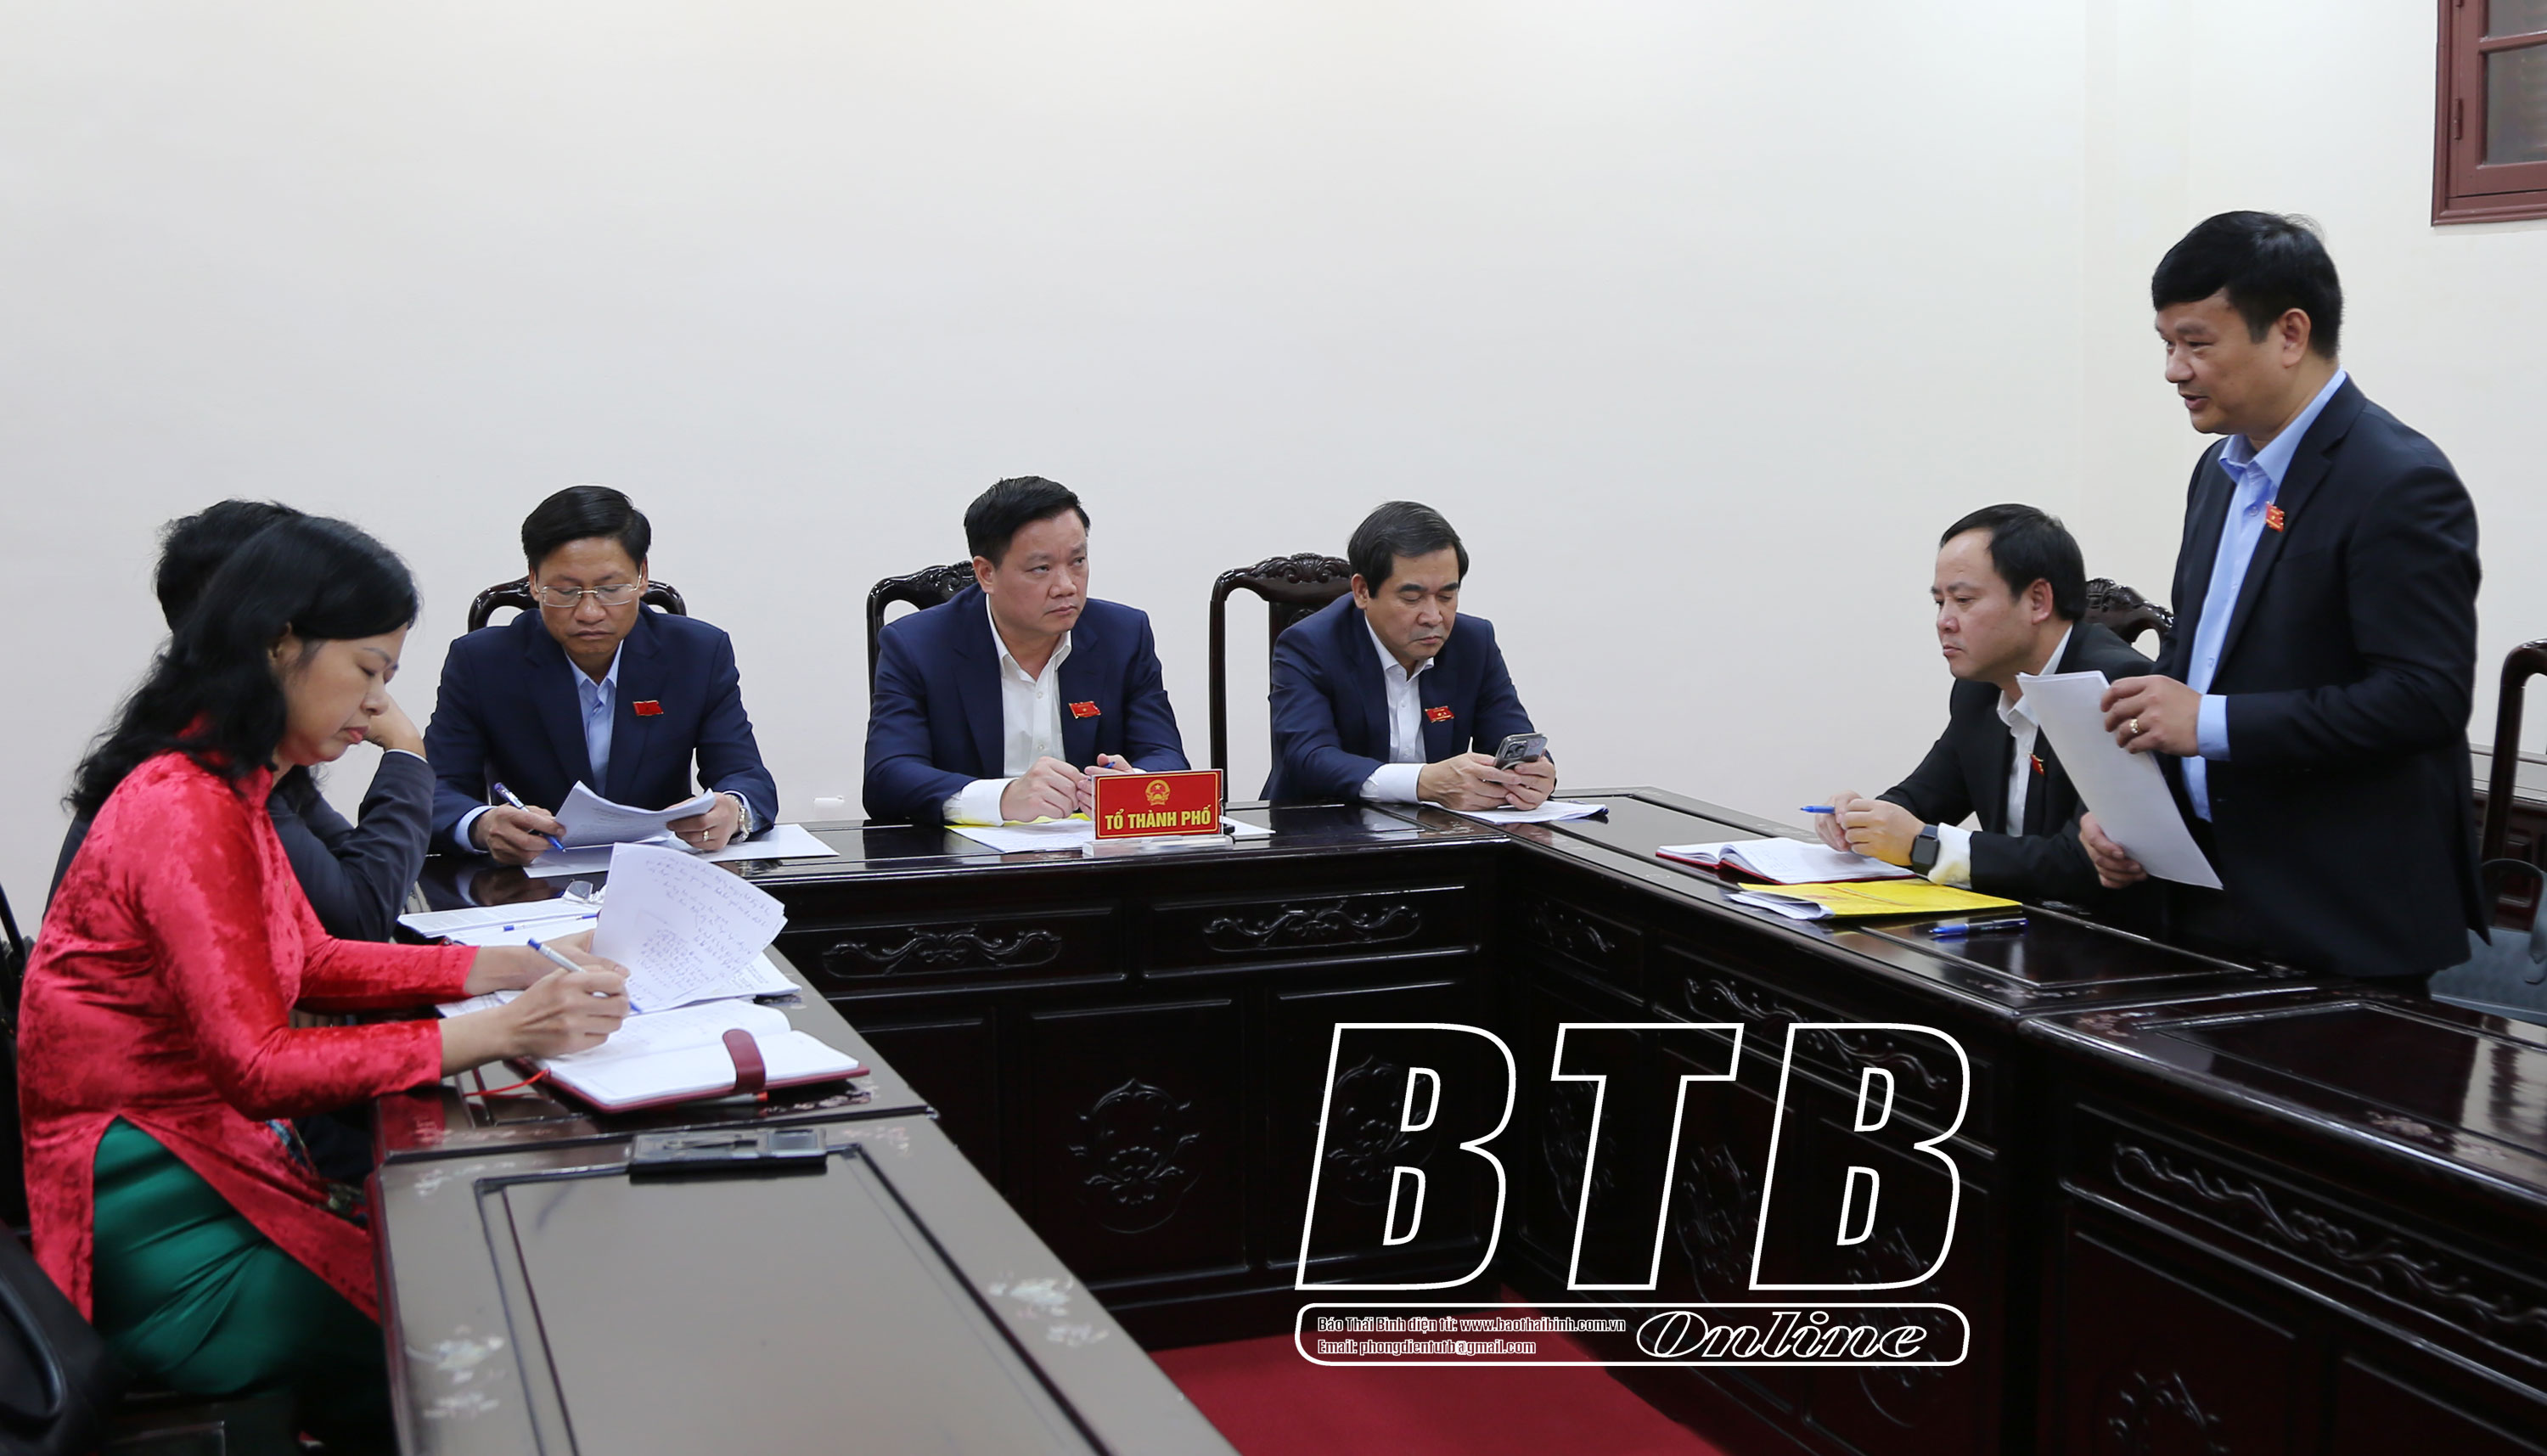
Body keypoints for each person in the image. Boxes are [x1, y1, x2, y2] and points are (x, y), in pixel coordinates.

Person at [25, 515, 628, 1447]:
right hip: (169, 1221)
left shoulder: (223, 780)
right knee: (489, 1329)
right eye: (370, 669)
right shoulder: (185, 805)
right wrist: (505, 1029)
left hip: (213, 1170)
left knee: (489, 1288)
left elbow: (309, 957)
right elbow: (258, 1064)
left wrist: (517, 961)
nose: (379, 704)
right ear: (281, 646)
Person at [2082, 211, 2484, 978]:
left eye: (2197, 343)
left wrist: (2210, 722)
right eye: (2166, 344)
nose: (2174, 370)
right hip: (2201, 895)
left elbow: (2423, 698)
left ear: (2291, 334)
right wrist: (2128, 813)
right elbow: (2198, 664)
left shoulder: (2397, 480)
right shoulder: (2218, 474)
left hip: (2337, 919)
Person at [51, 500, 434, 942]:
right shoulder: (201, 777)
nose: (377, 698)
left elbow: (342, 901)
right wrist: (406, 750)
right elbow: (360, 915)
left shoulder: (252, 753)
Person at [1813, 505, 2151, 904]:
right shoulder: (1980, 688)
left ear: (2038, 601)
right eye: (1939, 602)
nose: (1944, 621)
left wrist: (1924, 846)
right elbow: (1925, 798)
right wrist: (1860, 818)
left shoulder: (2115, 688)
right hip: (2013, 921)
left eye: (1963, 600)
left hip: (2109, 932)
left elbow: (2079, 862)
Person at [424, 486, 779, 864]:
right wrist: (481, 824)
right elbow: (433, 791)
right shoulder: (481, 662)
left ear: (642, 577)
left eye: (611, 589)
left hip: (657, 873)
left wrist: (733, 811)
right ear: (534, 582)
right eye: (566, 591)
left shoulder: (698, 653)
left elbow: (746, 776)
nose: (590, 613)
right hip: (531, 878)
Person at [863, 476, 1189, 825]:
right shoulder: (917, 646)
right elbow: (887, 777)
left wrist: (1133, 783)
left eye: (1078, 561)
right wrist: (1002, 798)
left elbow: (1166, 756)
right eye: (1041, 569)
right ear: (986, 574)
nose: (1066, 586)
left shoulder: (1123, 635)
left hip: (1091, 853)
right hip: (970, 854)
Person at [1264, 500, 1553, 809]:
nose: (1433, 617)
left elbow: (1510, 738)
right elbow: (1309, 757)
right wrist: (1423, 782)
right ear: (1363, 591)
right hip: (1323, 825)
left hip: (1435, 829)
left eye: (1446, 596)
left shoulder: (1473, 642)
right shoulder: (1309, 645)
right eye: (1412, 598)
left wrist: (1534, 777)